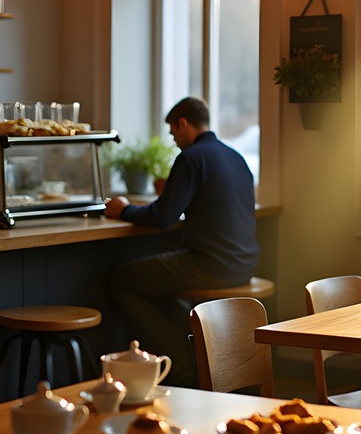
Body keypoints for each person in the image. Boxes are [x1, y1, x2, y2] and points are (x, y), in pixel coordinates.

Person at [104, 97, 259, 384]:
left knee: (119, 279)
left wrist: (122, 209)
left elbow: (163, 216)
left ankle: (183, 359)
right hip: (244, 264)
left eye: (174, 133)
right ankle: (197, 349)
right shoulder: (235, 157)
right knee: (163, 287)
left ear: (184, 123)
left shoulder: (191, 158)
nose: (174, 140)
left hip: (209, 264)